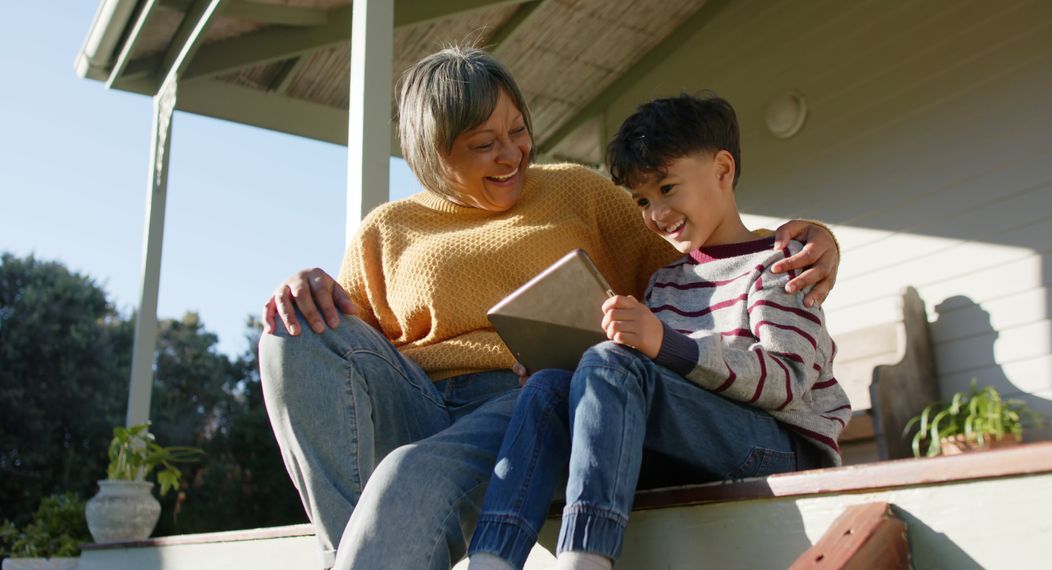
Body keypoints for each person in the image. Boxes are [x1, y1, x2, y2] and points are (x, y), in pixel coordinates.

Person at [259, 46, 840, 570]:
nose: (512, 153)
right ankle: (350, 554)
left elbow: (701, 258)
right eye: (485, 144)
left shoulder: (577, 192)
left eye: (517, 130)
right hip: (417, 400)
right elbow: (340, 364)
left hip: (523, 399)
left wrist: (809, 240)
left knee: (408, 475)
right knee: (290, 335)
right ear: (435, 154)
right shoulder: (384, 231)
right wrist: (303, 286)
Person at [466, 93, 852, 570]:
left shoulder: (781, 264)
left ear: (723, 170)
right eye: (643, 200)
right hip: (687, 448)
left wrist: (664, 344)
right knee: (548, 386)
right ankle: (492, 559)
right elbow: (647, 383)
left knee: (612, 359)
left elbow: (784, 380)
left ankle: (585, 557)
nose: (656, 213)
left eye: (668, 188)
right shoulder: (664, 282)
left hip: (778, 449)